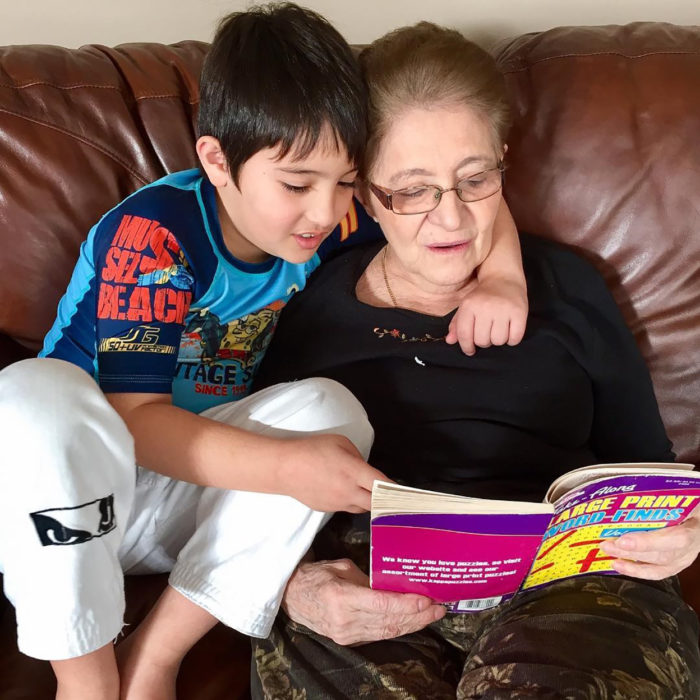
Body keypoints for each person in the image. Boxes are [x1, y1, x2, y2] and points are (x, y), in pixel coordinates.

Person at [0, 5, 528, 700]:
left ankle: (158, 656)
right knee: (34, 392)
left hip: (185, 502)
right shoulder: (155, 236)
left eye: (345, 181)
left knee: (329, 409)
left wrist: (503, 278)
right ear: (216, 160)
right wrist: (286, 465)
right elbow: (136, 420)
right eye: (296, 184)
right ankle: (87, 679)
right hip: (67, 495)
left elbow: (456, 193)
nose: (324, 211)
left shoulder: (324, 215)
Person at [250, 21, 700, 699]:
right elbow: (242, 495)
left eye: (474, 180)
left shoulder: (568, 287)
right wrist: (294, 587)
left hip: (569, 584)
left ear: (502, 165)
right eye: (411, 190)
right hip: (372, 585)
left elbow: (651, 466)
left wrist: (688, 531)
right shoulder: (306, 304)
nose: (451, 219)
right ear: (366, 193)